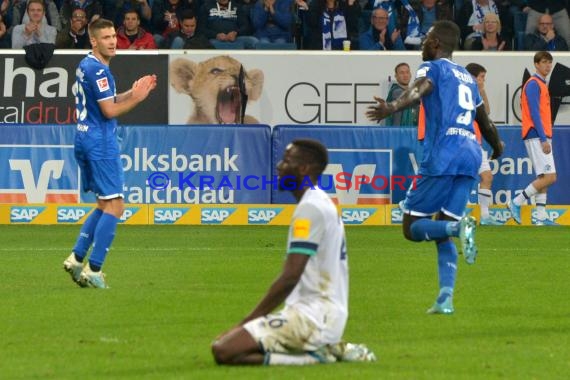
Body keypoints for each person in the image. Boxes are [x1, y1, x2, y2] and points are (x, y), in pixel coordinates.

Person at [366, 20, 503, 314]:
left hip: (444, 152)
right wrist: (499, 146)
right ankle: (446, 298)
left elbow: (421, 87)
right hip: (470, 154)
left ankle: (458, 226)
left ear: (437, 43)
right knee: (439, 228)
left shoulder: (434, 67)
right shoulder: (467, 77)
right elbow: (484, 120)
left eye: (426, 38)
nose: (423, 44)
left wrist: (392, 107)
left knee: (411, 227)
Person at [211, 139, 375, 365]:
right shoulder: (319, 201)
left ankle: (314, 358)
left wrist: (246, 323)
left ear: (304, 169)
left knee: (223, 350)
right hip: (323, 313)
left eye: (287, 161)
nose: (279, 166)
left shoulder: (310, 209)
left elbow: (289, 277)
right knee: (230, 347)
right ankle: (323, 349)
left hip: (314, 318)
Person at [63, 18, 157, 288]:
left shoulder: (86, 64)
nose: (113, 41)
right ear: (94, 41)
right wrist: (137, 99)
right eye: (105, 37)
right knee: (116, 206)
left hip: (83, 138)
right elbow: (109, 111)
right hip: (100, 142)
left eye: (113, 36)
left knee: (104, 204)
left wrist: (133, 91)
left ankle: (77, 257)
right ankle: (94, 270)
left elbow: (106, 101)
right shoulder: (100, 72)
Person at [508, 51, 557, 226]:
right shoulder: (533, 84)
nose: (548, 66)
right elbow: (535, 112)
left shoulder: (541, 84)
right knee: (550, 177)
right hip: (537, 134)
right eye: (544, 62)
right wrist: (543, 138)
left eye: (550, 62)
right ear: (536, 64)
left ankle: (540, 216)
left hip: (540, 134)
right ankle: (516, 201)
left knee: (543, 176)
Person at [465, 63, 501, 225]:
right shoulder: (463, 93)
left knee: (487, 176)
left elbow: (486, 112)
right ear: (472, 77)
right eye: (481, 77)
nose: (483, 81)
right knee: (462, 179)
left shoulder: (475, 92)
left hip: (477, 143)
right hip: (464, 142)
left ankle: (485, 217)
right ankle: (460, 213)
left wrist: (481, 89)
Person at [385, 62, 418, 126]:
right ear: (396, 76)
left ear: (410, 75)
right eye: (401, 73)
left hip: (411, 132)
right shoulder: (395, 92)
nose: (405, 75)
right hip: (398, 133)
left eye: (407, 72)